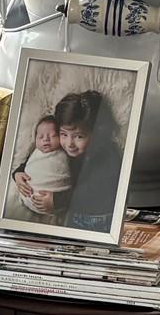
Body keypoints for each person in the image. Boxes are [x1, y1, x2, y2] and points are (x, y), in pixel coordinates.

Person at [51, 89, 126, 235]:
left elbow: (91, 192)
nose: (69, 143)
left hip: (100, 223)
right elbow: (41, 153)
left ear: (97, 133)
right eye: (63, 134)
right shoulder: (68, 151)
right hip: (75, 218)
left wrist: (56, 200)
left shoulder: (109, 156)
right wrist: (19, 172)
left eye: (79, 136)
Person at [9, 115, 72, 224]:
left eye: (53, 135)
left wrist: (56, 200)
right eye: (41, 137)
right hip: (28, 197)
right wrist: (17, 175)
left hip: (56, 203)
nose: (46, 139)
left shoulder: (66, 153)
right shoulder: (35, 153)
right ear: (35, 140)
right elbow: (23, 166)